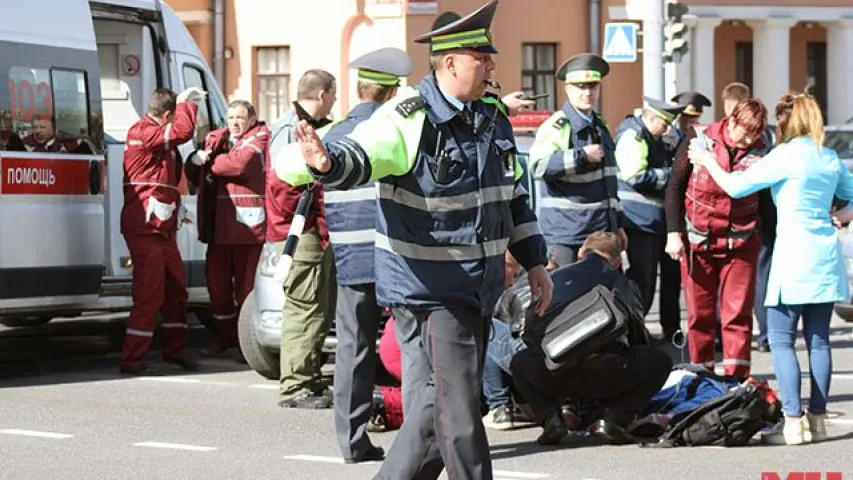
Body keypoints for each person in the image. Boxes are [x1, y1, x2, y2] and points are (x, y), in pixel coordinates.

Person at [276, 1, 553, 478]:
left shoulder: (490, 116)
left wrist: (535, 261)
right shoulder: (408, 115)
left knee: (430, 413)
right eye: (481, 58)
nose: (493, 65)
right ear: (450, 63)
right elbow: (360, 155)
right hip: (429, 292)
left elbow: (513, 198)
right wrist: (326, 164)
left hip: (476, 289)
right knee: (461, 415)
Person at [687, 92, 853, 445]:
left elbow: (734, 186)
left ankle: (793, 422)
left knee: (781, 340)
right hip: (825, 255)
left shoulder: (784, 156)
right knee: (819, 342)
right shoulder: (829, 157)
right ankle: (819, 420)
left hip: (793, 256)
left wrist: (706, 160)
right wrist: (843, 215)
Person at [322, 47, 413, 464]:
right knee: (414, 349)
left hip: (351, 260)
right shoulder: (397, 130)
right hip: (397, 257)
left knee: (353, 350)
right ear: (393, 91)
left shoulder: (334, 134)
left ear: (359, 88)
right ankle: (416, 440)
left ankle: (352, 441)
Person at [510, 232, 671, 445]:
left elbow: (528, 332)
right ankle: (614, 419)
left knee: (519, 362)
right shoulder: (623, 283)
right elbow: (639, 338)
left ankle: (551, 418)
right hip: (607, 374)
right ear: (616, 262)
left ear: (580, 253)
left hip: (554, 372)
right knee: (660, 361)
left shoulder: (556, 278)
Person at [664, 99, 770, 379]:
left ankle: (736, 379)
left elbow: (766, 201)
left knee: (737, 314)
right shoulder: (698, 139)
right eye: (744, 132)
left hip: (741, 243)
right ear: (731, 121)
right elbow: (674, 186)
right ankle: (702, 376)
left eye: (754, 134)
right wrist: (673, 233)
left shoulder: (763, 149)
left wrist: (774, 238)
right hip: (698, 243)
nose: (747, 140)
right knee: (700, 315)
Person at [119, 87, 204, 376]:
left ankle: (174, 350)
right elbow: (182, 133)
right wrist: (186, 105)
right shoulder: (143, 132)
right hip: (144, 228)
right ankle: (132, 359)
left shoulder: (157, 136)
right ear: (167, 115)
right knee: (149, 294)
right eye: (173, 116)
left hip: (162, 228)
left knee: (176, 290)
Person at [267, 70, 338, 409]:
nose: (335, 102)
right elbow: (286, 186)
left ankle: (308, 379)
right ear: (322, 95)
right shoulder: (290, 130)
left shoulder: (304, 126)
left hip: (311, 230)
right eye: (334, 95)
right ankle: (296, 386)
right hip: (299, 231)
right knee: (305, 307)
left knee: (318, 308)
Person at [185, 100, 269, 358]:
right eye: (231, 117)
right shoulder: (217, 139)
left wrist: (208, 162)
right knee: (217, 287)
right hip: (219, 229)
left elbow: (238, 165)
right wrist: (195, 159)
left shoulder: (260, 139)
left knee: (246, 291)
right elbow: (191, 171)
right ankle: (226, 338)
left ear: (252, 119)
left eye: (240, 117)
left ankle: (249, 346)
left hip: (248, 230)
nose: (234, 122)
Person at [528, 53, 626, 267]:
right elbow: (539, 167)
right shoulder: (558, 125)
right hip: (566, 236)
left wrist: (617, 223)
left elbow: (609, 182)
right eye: (580, 87)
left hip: (600, 233)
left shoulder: (600, 125)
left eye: (592, 87)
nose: (587, 93)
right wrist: (581, 156)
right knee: (565, 296)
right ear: (568, 89)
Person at [614, 97, 686, 328]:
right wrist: (669, 175)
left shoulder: (652, 137)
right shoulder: (633, 136)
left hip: (652, 222)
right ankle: (631, 333)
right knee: (641, 282)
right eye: (663, 125)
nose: (665, 130)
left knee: (653, 282)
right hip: (638, 220)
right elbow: (635, 176)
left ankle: (640, 332)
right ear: (652, 117)